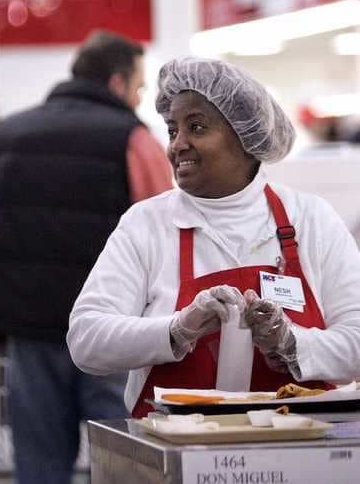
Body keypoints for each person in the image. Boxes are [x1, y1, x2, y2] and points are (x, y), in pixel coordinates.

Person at [67, 56, 360, 419]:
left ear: (245, 135)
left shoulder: (310, 220)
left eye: (197, 127)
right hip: (177, 452)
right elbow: (86, 339)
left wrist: (292, 343)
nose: (178, 145)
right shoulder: (147, 224)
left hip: (301, 447)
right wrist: (175, 330)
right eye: (173, 130)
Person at [0, 30, 172, 483]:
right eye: (140, 86)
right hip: (111, 327)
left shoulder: (8, 133)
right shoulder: (131, 138)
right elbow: (165, 224)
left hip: (29, 323)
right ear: (116, 83)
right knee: (124, 454)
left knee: (40, 457)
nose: (139, 96)